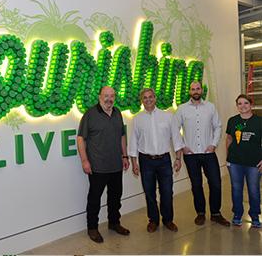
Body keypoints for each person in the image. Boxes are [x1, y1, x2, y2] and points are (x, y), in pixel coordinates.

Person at [77, 86, 130, 243]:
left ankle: (114, 223)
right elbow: (80, 138)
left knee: (115, 197)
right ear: (99, 96)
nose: (109, 98)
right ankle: (92, 228)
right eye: (106, 95)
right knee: (94, 199)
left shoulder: (117, 112)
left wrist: (125, 155)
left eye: (112, 95)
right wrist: (85, 161)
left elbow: (122, 135)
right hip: (97, 167)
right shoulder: (90, 114)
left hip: (116, 165)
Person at [175, 81, 230, 226]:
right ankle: (200, 213)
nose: (195, 91)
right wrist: (183, 146)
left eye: (197, 88)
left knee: (216, 183)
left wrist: (213, 144)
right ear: (189, 91)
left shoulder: (210, 107)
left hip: (208, 153)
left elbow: (218, 126)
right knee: (196, 185)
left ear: (201, 90)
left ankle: (216, 213)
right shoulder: (182, 109)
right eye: (192, 89)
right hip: (190, 155)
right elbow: (175, 129)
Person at [128, 88, 184, 233]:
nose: (148, 100)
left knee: (167, 192)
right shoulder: (137, 119)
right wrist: (134, 163)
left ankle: (168, 220)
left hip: (164, 160)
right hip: (146, 161)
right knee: (149, 192)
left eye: (150, 97)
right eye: (145, 98)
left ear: (155, 98)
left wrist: (178, 158)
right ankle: (153, 220)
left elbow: (176, 139)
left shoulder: (168, 117)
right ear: (142, 101)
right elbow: (133, 142)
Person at [226, 94, 262, 228]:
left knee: (253, 190)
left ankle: (254, 216)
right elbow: (229, 139)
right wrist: (228, 157)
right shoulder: (233, 121)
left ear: (251, 104)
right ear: (237, 106)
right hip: (235, 163)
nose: (243, 106)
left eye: (246, 103)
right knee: (236, 189)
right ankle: (237, 214)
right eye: (239, 104)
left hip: (254, 163)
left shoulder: (259, 121)